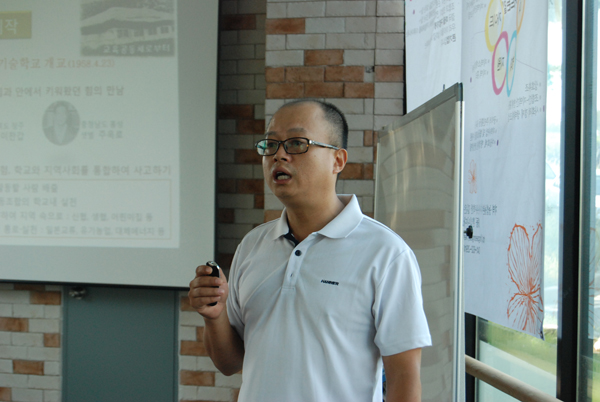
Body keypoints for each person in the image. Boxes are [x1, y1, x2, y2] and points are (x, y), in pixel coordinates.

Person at [189, 99, 431, 402]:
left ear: (338, 160)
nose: (279, 155)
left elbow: (404, 377)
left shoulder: (386, 254)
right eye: (271, 145)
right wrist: (214, 316)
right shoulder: (252, 245)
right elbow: (229, 363)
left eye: (296, 143)